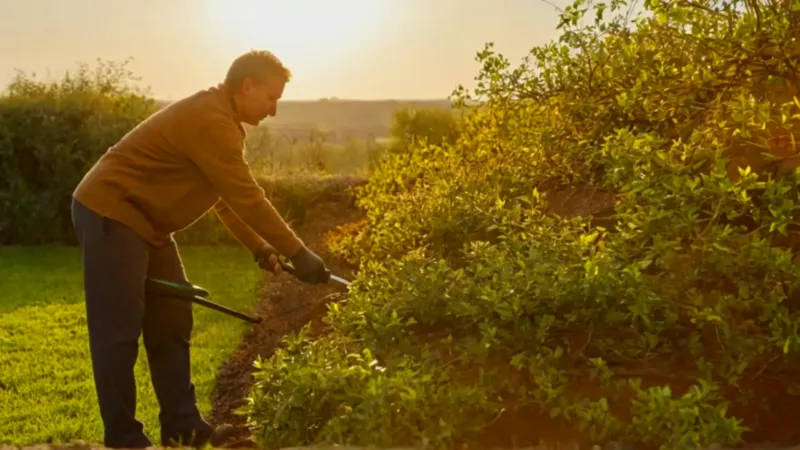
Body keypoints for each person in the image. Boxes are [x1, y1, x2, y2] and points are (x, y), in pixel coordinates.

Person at [70, 49, 330, 448]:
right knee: (117, 333)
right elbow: (247, 197)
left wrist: (260, 247)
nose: (273, 110)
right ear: (247, 86)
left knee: (172, 321)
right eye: (271, 97)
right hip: (112, 213)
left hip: (148, 226)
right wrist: (298, 252)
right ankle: (124, 439)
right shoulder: (211, 121)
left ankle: (184, 429)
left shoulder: (222, 120)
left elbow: (224, 199)